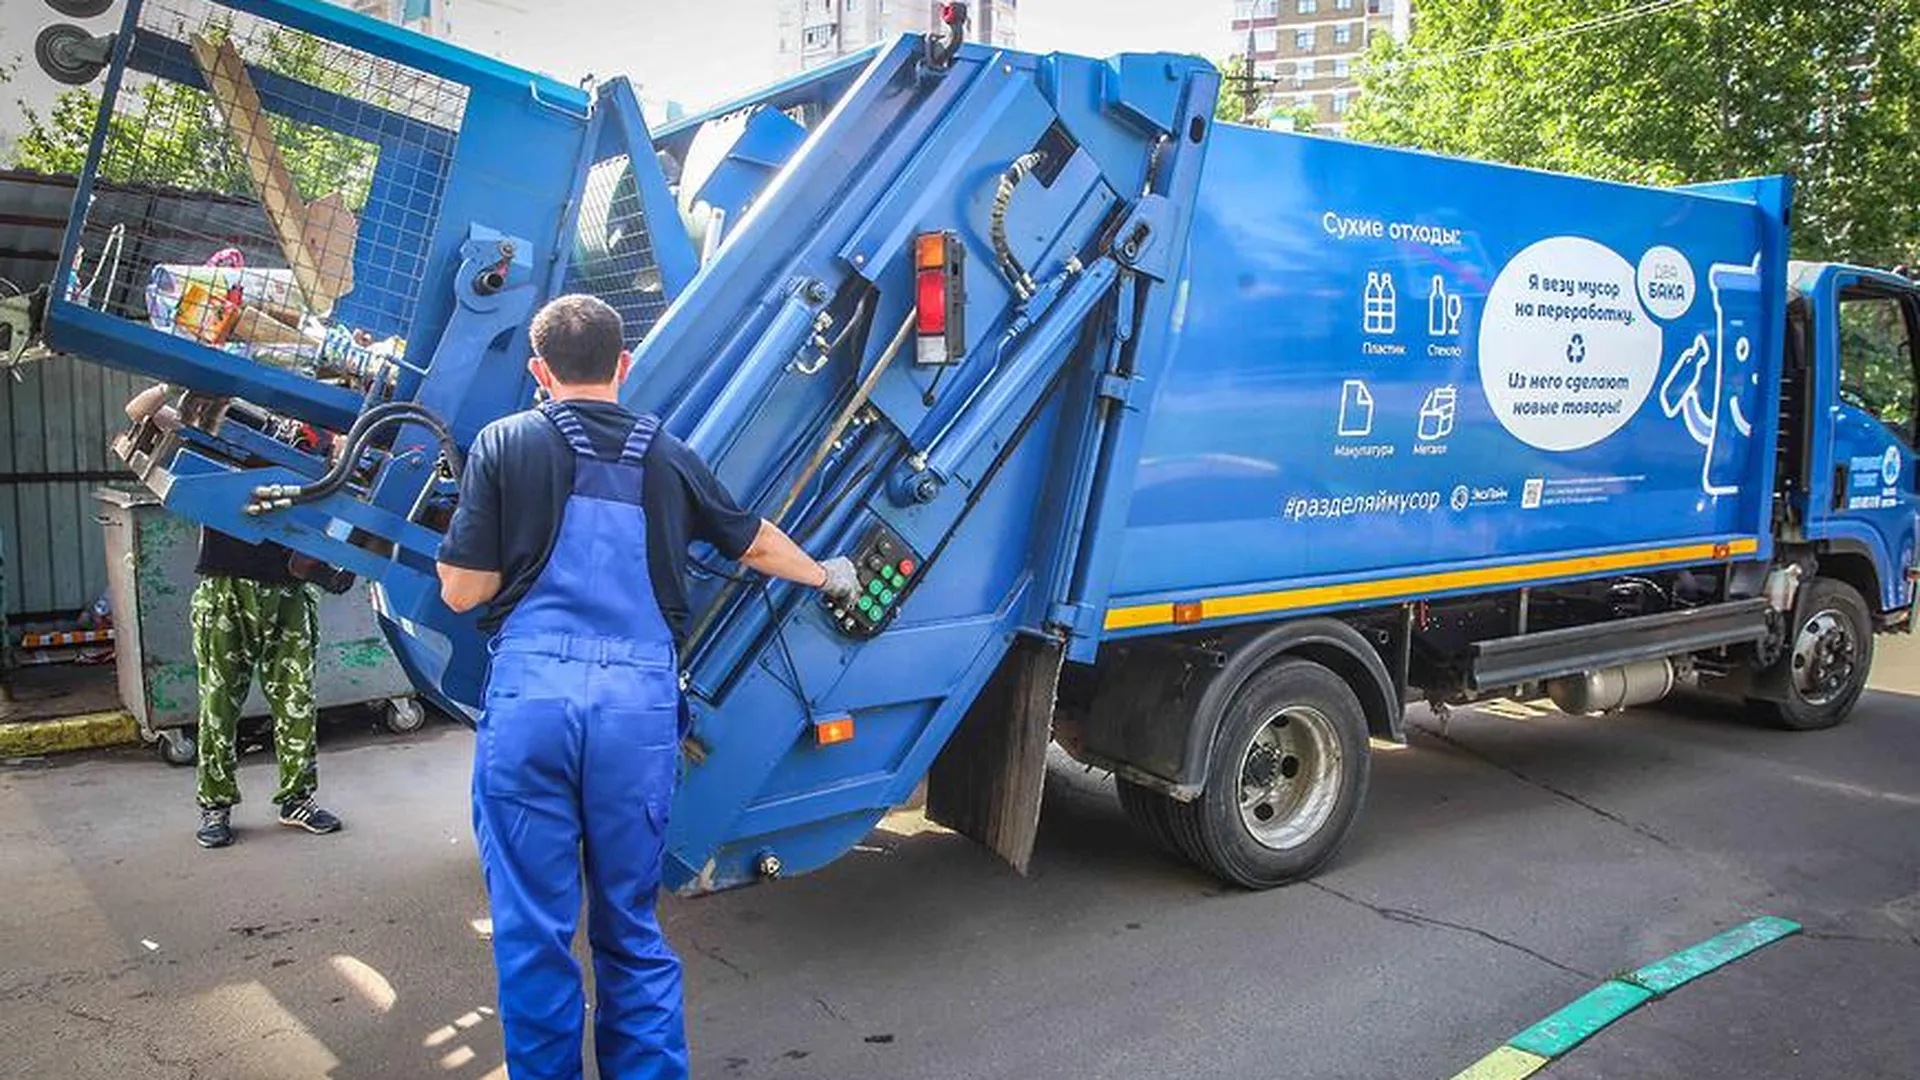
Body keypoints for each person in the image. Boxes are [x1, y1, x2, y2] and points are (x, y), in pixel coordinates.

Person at [436, 294, 858, 1080]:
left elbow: (463, 592)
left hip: (533, 707)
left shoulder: (504, 444)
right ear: (622, 365)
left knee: (534, 930)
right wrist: (826, 575)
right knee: (629, 925)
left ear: (539, 370)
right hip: (635, 712)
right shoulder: (667, 454)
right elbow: (754, 543)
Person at [125, 385, 344, 849]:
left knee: (297, 701)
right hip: (226, 588)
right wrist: (176, 379)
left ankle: (296, 800)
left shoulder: (312, 435)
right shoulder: (224, 425)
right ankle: (215, 806)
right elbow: (139, 410)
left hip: (288, 590)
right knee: (219, 705)